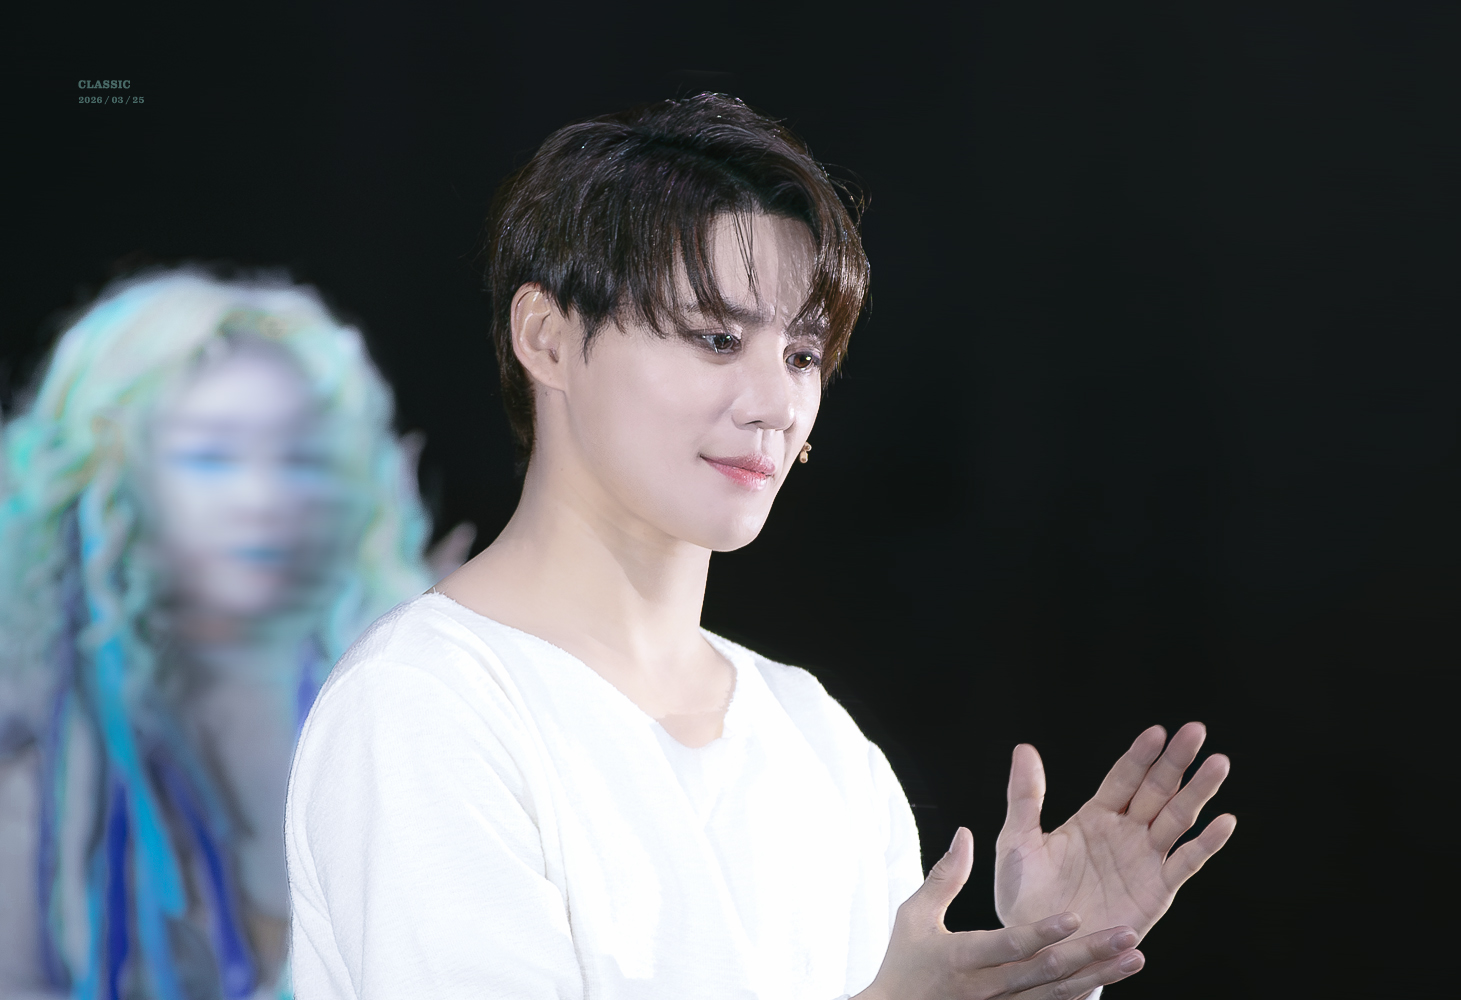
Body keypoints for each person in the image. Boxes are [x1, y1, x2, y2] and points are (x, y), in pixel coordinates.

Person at [284, 94, 1236, 1000]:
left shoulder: (813, 736)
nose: (776, 404)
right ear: (548, 337)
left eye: (802, 355)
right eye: (714, 338)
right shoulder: (426, 702)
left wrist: (1034, 972)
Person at [0, 270, 460, 999]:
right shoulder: (39, 774)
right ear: (107, 481)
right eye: (211, 457)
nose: (262, 498)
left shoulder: (428, 704)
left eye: (299, 458)